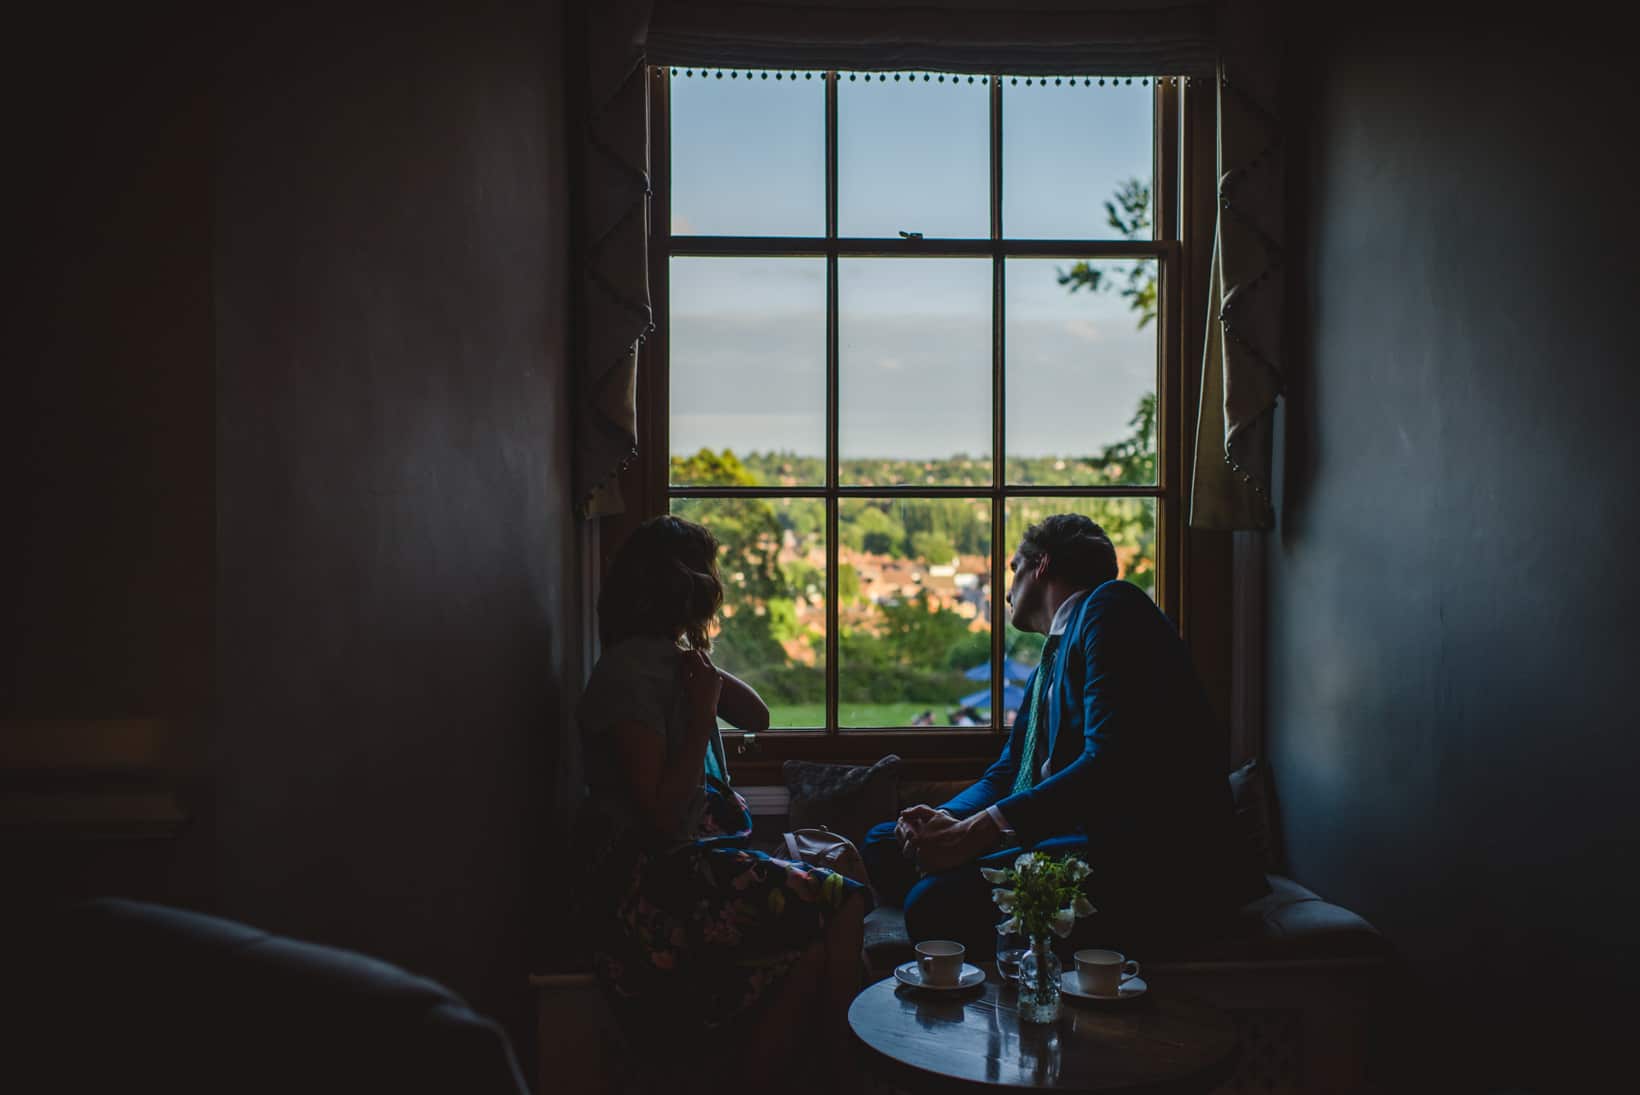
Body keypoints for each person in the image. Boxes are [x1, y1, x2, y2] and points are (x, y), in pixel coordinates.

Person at [862, 514, 1262, 956]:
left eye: (1014, 568)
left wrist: (977, 832)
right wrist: (945, 820)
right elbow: (1008, 772)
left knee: (930, 906)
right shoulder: (1044, 670)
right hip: (1064, 835)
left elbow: (1108, 764)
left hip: (1140, 855)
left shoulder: (1111, 606)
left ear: (1042, 564)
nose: (1007, 589)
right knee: (884, 843)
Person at [575, 515, 866, 1092]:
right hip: (651, 887)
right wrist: (701, 707)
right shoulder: (628, 674)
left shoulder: (668, 659)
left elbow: (757, 716)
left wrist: (702, 673)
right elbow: (662, 818)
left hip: (686, 867)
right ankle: (847, 1073)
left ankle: (816, 1073)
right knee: (844, 900)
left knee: (819, 925)